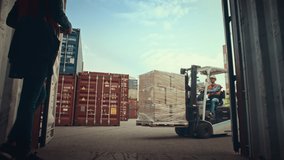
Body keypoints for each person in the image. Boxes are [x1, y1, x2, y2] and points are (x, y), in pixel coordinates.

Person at [0, 0, 72, 159]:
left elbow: (11, 20)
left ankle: (12, 141)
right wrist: (67, 26)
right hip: (40, 50)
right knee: (29, 100)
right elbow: (58, 13)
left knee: (39, 96)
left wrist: (30, 25)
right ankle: (22, 150)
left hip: (22, 48)